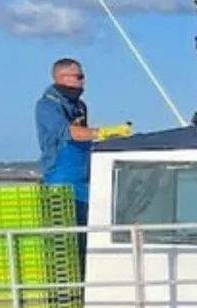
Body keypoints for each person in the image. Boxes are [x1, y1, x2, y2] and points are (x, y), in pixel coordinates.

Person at [35, 58, 132, 234]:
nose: (83, 82)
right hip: (60, 180)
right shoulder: (47, 106)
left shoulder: (80, 106)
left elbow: (85, 135)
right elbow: (70, 133)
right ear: (62, 78)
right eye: (79, 77)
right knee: (66, 233)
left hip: (85, 178)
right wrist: (103, 132)